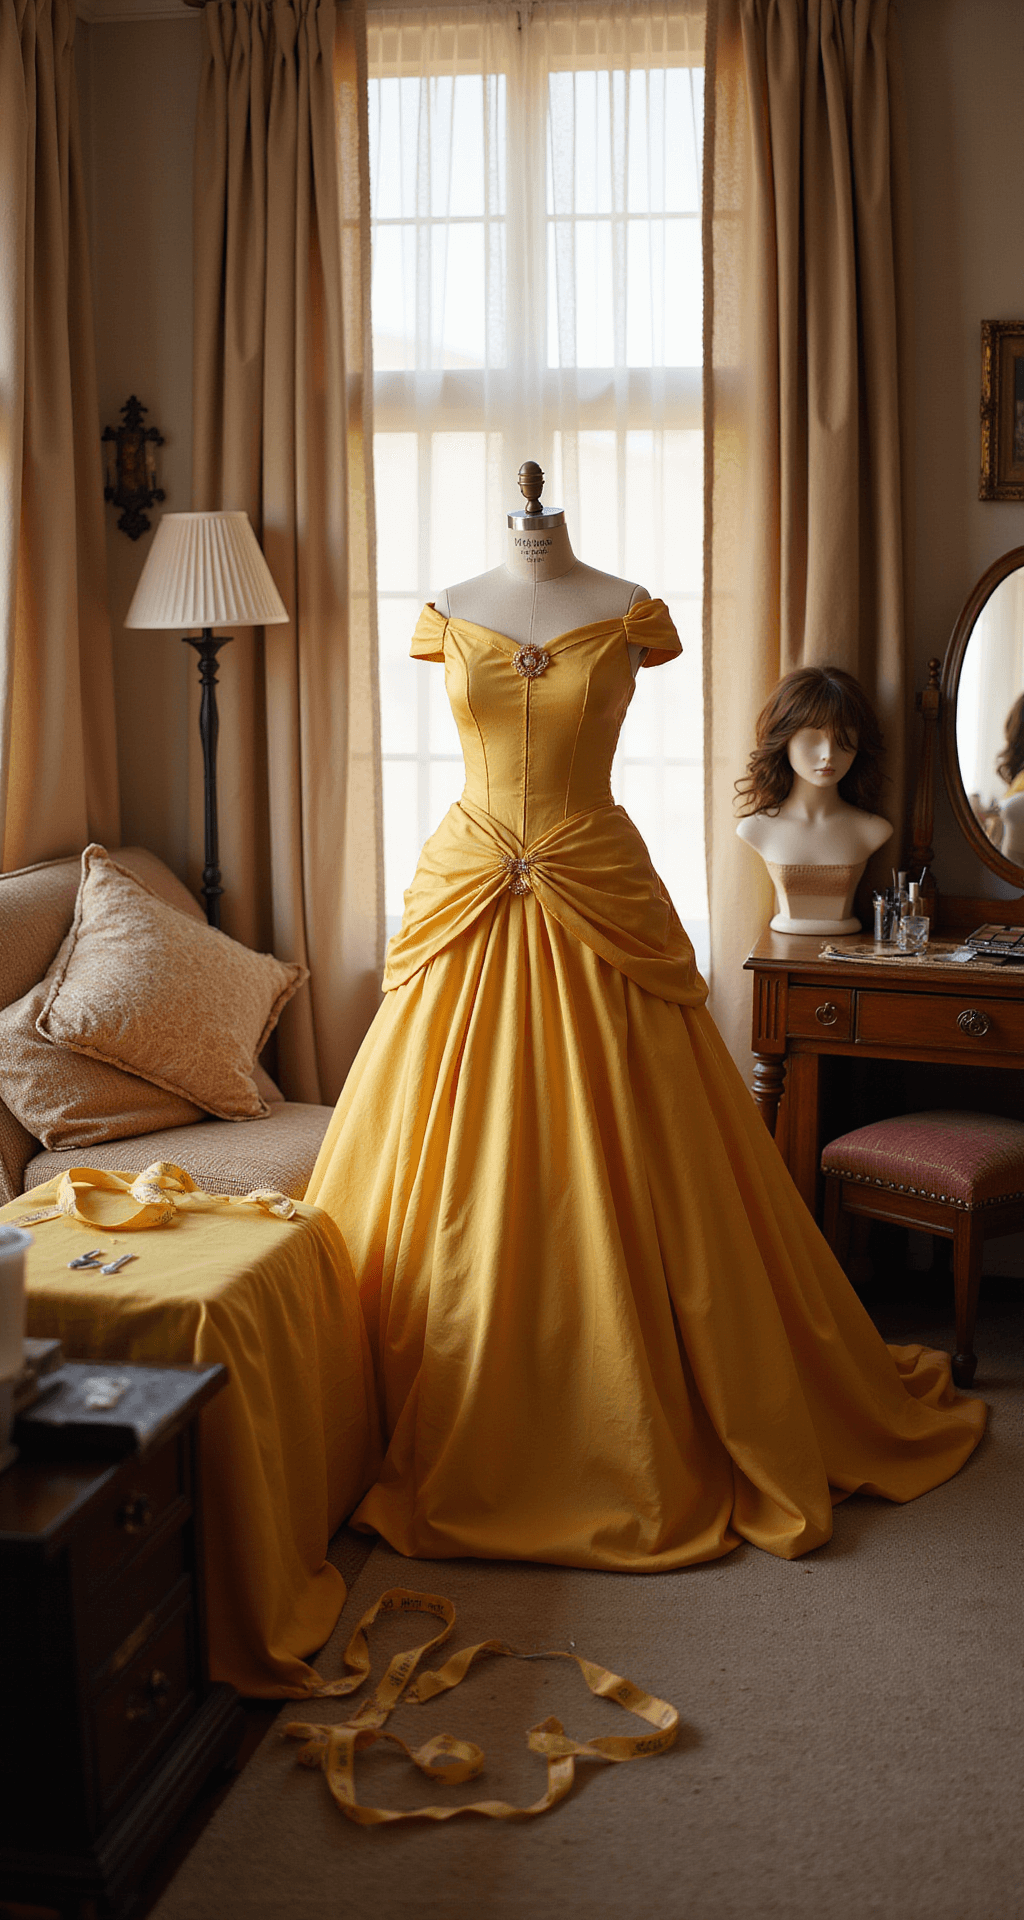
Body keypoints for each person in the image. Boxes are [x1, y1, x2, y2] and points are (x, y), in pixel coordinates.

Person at [307, 482, 984, 1572]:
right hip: (469, 882)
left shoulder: (629, 613)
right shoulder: (446, 609)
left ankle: (633, 1403)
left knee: (654, 1158)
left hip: (596, 881)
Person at [735, 667, 893, 935]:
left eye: (843, 739)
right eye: (811, 737)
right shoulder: (755, 829)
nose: (828, 754)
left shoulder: (874, 830)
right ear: (784, 740)